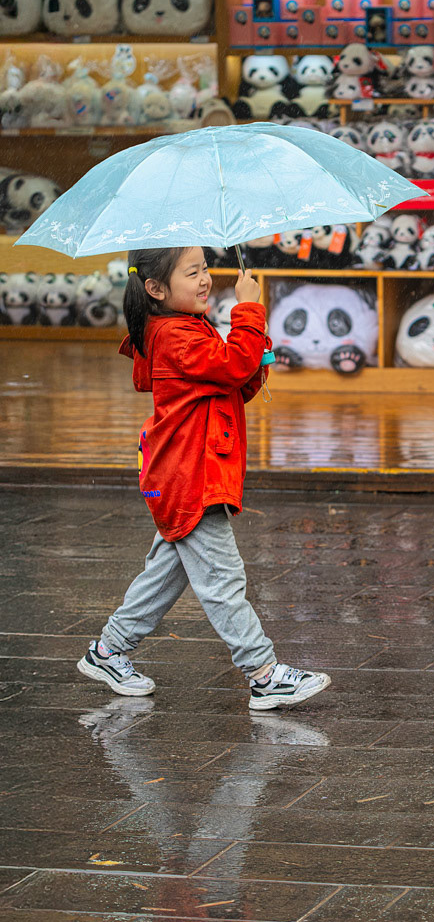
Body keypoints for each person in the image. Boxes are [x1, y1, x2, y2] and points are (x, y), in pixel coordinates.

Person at [76, 246, 330, 711]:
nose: (205, 279)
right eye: (192, 272)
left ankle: (108, 651)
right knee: (223, 579)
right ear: (155, 288)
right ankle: (264, 673)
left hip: (178, 473)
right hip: (188, 475)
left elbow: (230, 378)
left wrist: (256, 355)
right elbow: (231, 365)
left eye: (205, 269)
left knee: (166, 574)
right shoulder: (175, 335)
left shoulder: (185, 327)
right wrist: (248, 310)